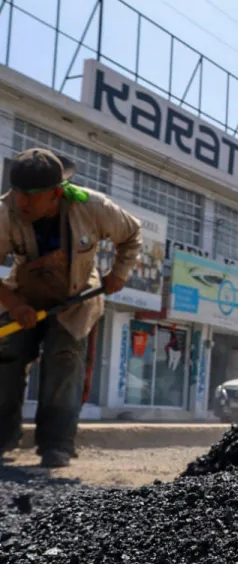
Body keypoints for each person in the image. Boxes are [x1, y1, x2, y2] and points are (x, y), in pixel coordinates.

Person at [0, 147, 142, 468]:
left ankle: (57, 444)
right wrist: (15, 303)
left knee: (63, 362)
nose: (22, 203)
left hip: (75, 298)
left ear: (55, 193)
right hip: (24, 292)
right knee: (6, 356)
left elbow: (132, 232)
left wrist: (119, 274)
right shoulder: (6, 211)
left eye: (31, 197)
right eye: (18, 194)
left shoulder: (91, 206)